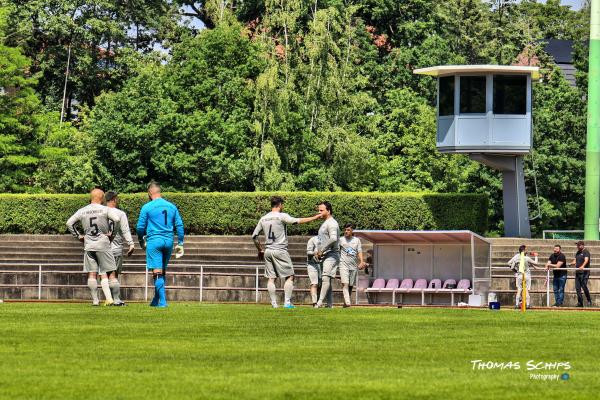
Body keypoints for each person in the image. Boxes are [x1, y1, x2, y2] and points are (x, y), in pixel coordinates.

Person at [252, 196, 321, 309]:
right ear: (279, 205)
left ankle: (274, 304)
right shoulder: (281, 216)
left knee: (271, 278)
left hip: (268, 251)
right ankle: (287, 303)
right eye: (282, 205)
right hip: (280, 250)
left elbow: (254, 236)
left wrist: (260, 250)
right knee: (290, 276)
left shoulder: (263, 218)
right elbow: (297, 221)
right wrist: (315, 217)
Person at [66, 188, 122, 306]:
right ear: (102, 198)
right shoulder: (105, 209)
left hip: (89, 244)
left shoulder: (82, 211)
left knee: (92, 273)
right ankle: (115, 300)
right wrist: (112, 234)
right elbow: (117, 220)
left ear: (91, 198)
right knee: (111, 272)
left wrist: (79, 236)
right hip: (103, 244)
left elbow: (69, 223)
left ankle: (95, 301)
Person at [136, 182, 185, 308]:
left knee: (157, 272)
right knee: (162, 271)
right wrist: (180, 243)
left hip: (154, 241)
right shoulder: (172, 206)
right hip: (168, 241)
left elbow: (140, 227)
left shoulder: (147, 207)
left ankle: (163, 302)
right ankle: (155, 300)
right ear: (159, 191)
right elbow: (179, 225)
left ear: (149, 193)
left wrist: (141, 240)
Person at [105, 191, 136, 306]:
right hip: (116, 248)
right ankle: (116, 300)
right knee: (114, 274)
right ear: (114, 199)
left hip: (102, 248)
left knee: (105, 275)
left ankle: (107, 299)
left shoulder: (101, 211)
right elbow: (125, 230)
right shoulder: (120, 213)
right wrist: (131, 244)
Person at [315, 201, 341, 308]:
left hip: (332, 254)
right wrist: (318, 251)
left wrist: (322, 250)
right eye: (319, 210)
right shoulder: (325, 223)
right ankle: (329, 304)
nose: (319, 212)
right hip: (325, 254)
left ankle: (319, 302)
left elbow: (333, 238)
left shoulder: (332, 223)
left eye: (321, 210)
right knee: (327, 279)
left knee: (326, 277)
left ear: (328, 211)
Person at [339, 223, 366, 306]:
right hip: (343, 264)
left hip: (353, 265)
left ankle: (346, 302)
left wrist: (361, 261)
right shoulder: (341, 240)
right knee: (345, 283)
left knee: (350, 285)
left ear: (352, 231)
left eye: (348, 230)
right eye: (345, 230)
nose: (346, 231)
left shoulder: (356, 240)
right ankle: (348, 302)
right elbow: (336, 250)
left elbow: (359, 251)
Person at [507, 244, 541, 309]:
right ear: (523, 250)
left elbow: (510, 265)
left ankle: (517, 305)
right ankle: (527, 305)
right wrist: (536, 256)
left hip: (519, 275)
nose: (527, 251)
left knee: (519, 290)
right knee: (526, 290)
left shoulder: (516, 257)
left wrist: (515, 270)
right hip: (527, 275)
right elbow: (536, 263)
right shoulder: (526, 258)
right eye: (526, 250)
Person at [570, 241, 592, 307]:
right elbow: (575, 260)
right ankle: (580, 303)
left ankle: (589, 300)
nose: (578, 246)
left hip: (584, 273)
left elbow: (586, 260)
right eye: (577, 245)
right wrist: (571, 263)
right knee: (577, 288)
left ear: (582, 245)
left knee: (584, 286)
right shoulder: (577, 252)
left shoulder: (586, 252)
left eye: (579, 245)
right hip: (578, 272)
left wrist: (582, 266)